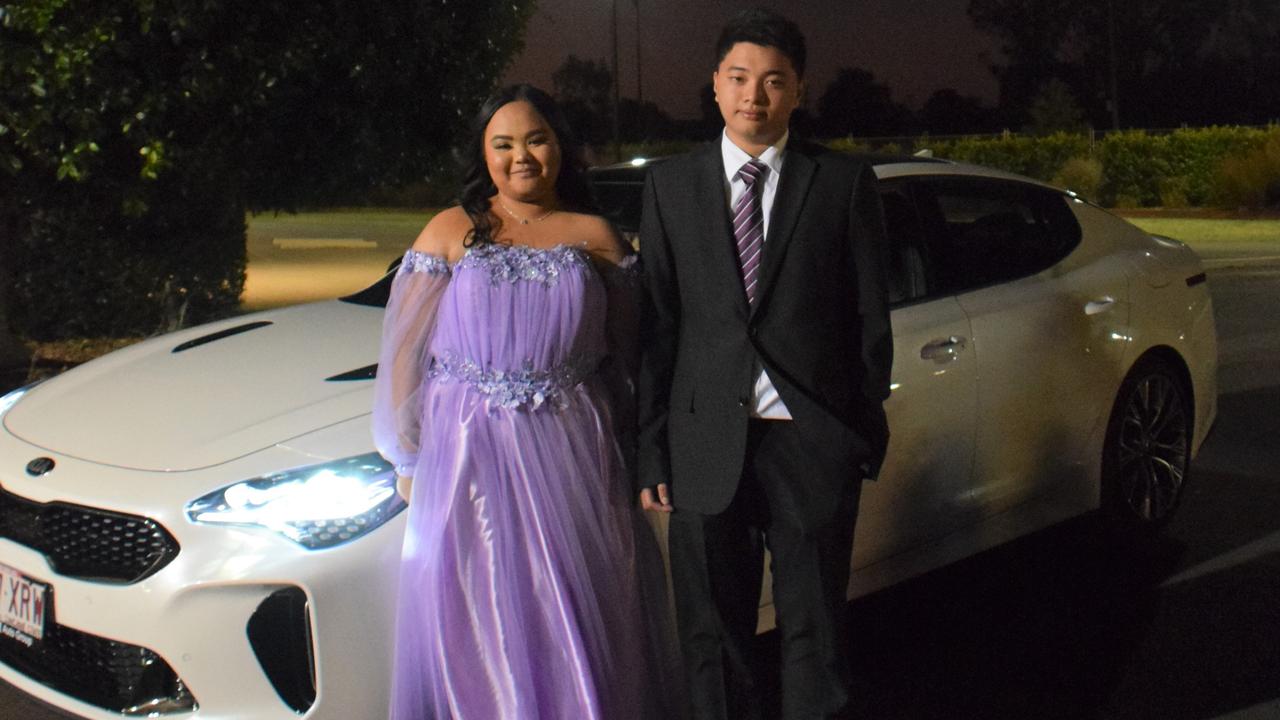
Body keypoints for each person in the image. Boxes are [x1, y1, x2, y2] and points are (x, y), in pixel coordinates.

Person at [372, 83, 676, 720]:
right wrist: (406, 458)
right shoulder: (452, 230)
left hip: (573, 450)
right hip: (465, 456)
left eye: (536, 139)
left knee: (575, 602)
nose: (522, 157)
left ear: (559, 145)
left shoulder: (595, 235)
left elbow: (632, 354)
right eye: (503, 144)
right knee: (474, 613)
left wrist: (637, 449)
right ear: (483, 154)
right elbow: (405, 351)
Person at [636, 8, 893, 720]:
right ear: (715, 85)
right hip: (701, 444)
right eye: (740, 78)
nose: (755, 96)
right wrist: (652, 447)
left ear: (798, 91)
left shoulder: (841, 183)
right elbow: (658, 325)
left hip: (808, 440)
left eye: (774, 81)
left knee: (815, 633)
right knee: (712, 638)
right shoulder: (671, 186)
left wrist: (858, 435)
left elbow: (871, 317)